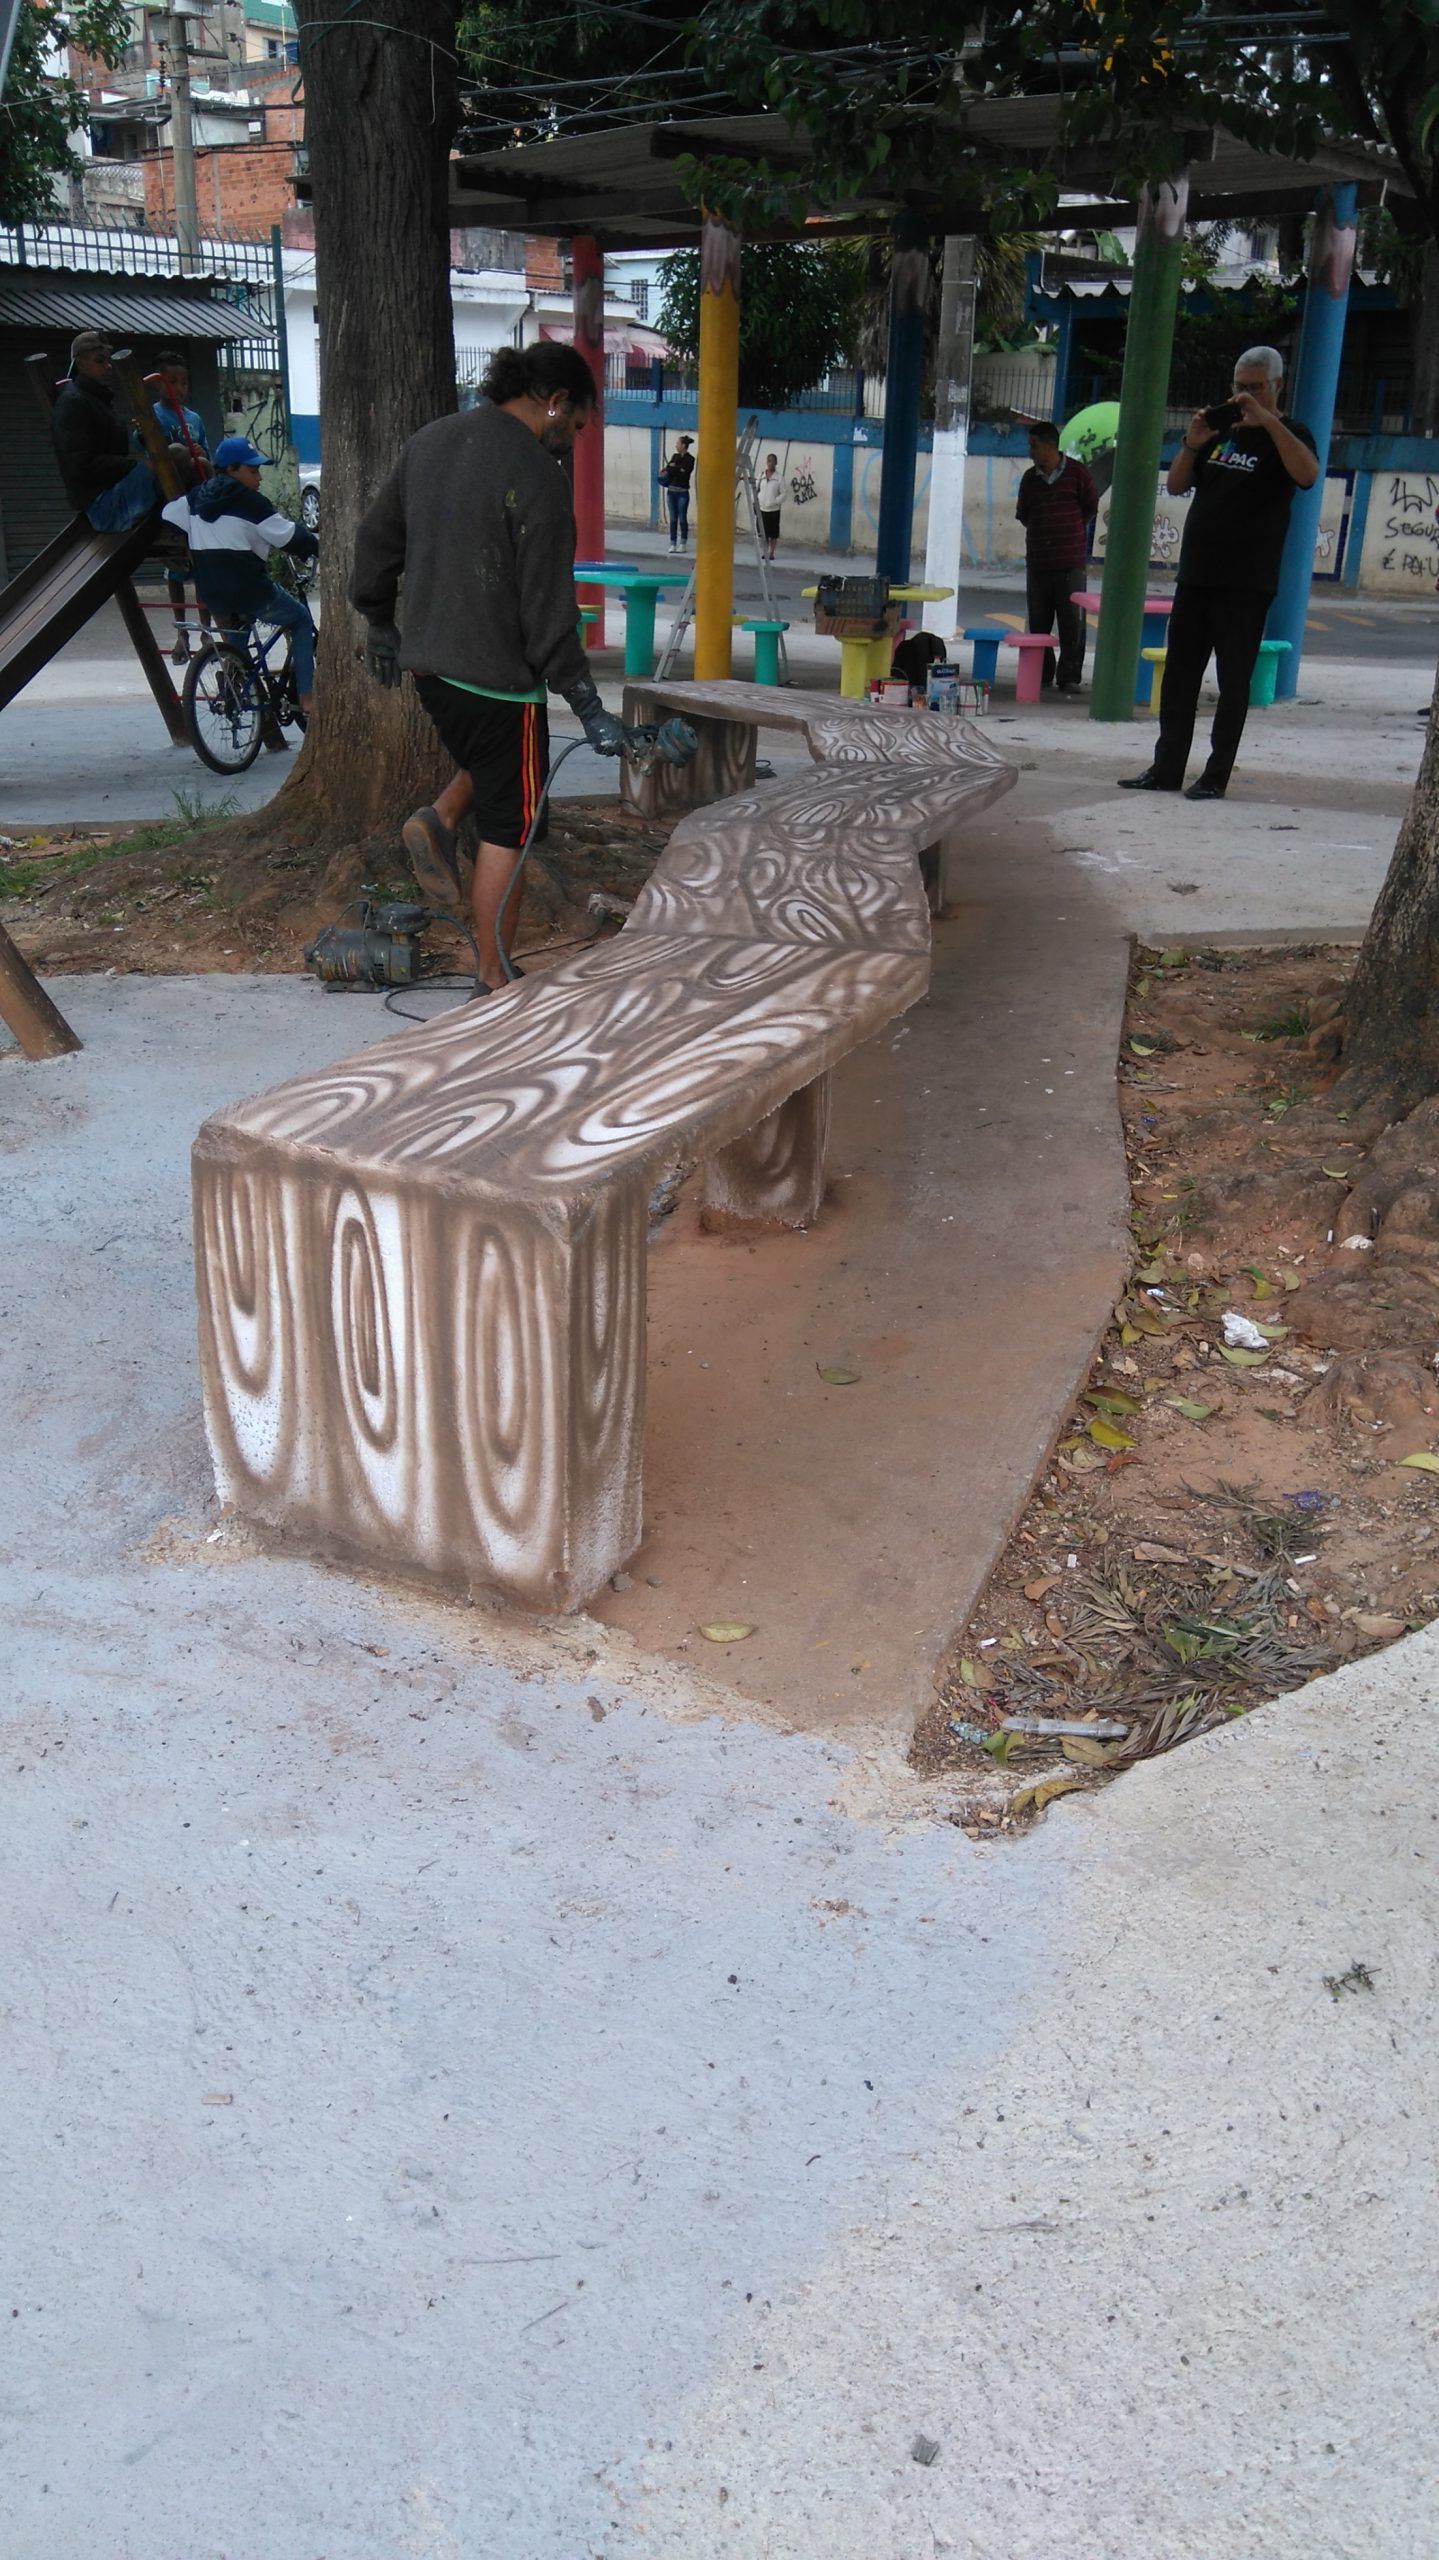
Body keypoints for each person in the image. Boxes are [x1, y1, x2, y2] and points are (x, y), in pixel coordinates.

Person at [351, 340, 634, 996]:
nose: (573, 441)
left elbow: (375, 538)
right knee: (512, 824)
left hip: (430, 670)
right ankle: (493, 976)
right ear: (555, 401)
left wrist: (378, 619)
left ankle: (440, 818)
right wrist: (587, 705)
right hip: (498, 684)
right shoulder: (536, 475)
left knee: (493, 765)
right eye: (578, 425)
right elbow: (547, 609)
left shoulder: (430, 441)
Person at [1119, 345, 1318, 801]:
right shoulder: (1221, 432)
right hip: (1197, 575)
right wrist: (1193, 441)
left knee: (1232, 683)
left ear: (1277, 386)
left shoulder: (1291, 432)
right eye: (1238, 387)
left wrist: (1267, 421)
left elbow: (1307, 475)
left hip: (1246, 582)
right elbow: (1176, 484)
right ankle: (1166, 767)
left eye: (1255, 388)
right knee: (1179, 678)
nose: (1243, 396)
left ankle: (1215, 775)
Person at [161, 435, 317, 713]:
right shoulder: (252, 503)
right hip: (250, 590)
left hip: (213, 592)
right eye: (253, 471)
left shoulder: (195, 498)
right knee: (301, 618)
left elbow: (169, 513)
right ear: (231, 470)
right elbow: (288, 536)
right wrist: (314, 545)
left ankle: (231, 692)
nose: (259, 478)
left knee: (238, 637)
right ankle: (307, 697)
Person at [51, 331, 178, 533]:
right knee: (176, 457)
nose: (108, 366)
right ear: (81, 363)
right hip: (103, 506)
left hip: (111, 493)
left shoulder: (96, 400)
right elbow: (80, 464)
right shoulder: (74, 403)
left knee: (179, 455)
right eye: (100, 360)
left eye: (108, 360)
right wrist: (134, 466)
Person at [1014, 421, 1098, 693]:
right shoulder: (1030, 479)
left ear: (1050, 446)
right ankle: (1042, 673)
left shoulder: (1077, 474)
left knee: (1072, 622)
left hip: (1070, 563)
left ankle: (1069, 676)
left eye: (1034, 446)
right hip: (1038, 562)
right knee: (1039, 623)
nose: (1030, 451)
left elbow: (1090, 506)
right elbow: (1024, 514)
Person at [151, 351, 212, 664]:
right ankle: (181, 632)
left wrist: (198, 451)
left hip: (195, 499)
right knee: (175, 572)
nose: (179, 388)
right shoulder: (152, 416)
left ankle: (205, 631)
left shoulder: (194, 419)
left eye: (184, 382)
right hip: (171, 500)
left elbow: (206, 456)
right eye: (172, 382)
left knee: (203, 570)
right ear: (159, 384)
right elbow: (151, 450)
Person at [659, 433, 694, 551]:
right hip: (671, 491)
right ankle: (673, 543)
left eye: (678, 443)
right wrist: (677, 468)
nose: (676, 445)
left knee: (682, 518)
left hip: (682, 492)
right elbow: (669, 469)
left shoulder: (690, 459)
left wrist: (675, 468)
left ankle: (683, 543)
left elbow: (685, 474)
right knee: (673, 518)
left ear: (683, 445)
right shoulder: (675, 456)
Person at [758, 451, 783, 560]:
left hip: (774, 510)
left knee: (773, 533)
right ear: (767, 462)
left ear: (776, 463)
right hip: (762, 508)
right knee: (763, 533)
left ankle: (771, 553)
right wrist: (756, 499)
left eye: (773, 461)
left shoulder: (779, 478)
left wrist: (775, 501)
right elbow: (756, 489)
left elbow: (784, 493)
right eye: (769, 461)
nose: (771, 463)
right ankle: (765, 551)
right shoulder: (761, 476)